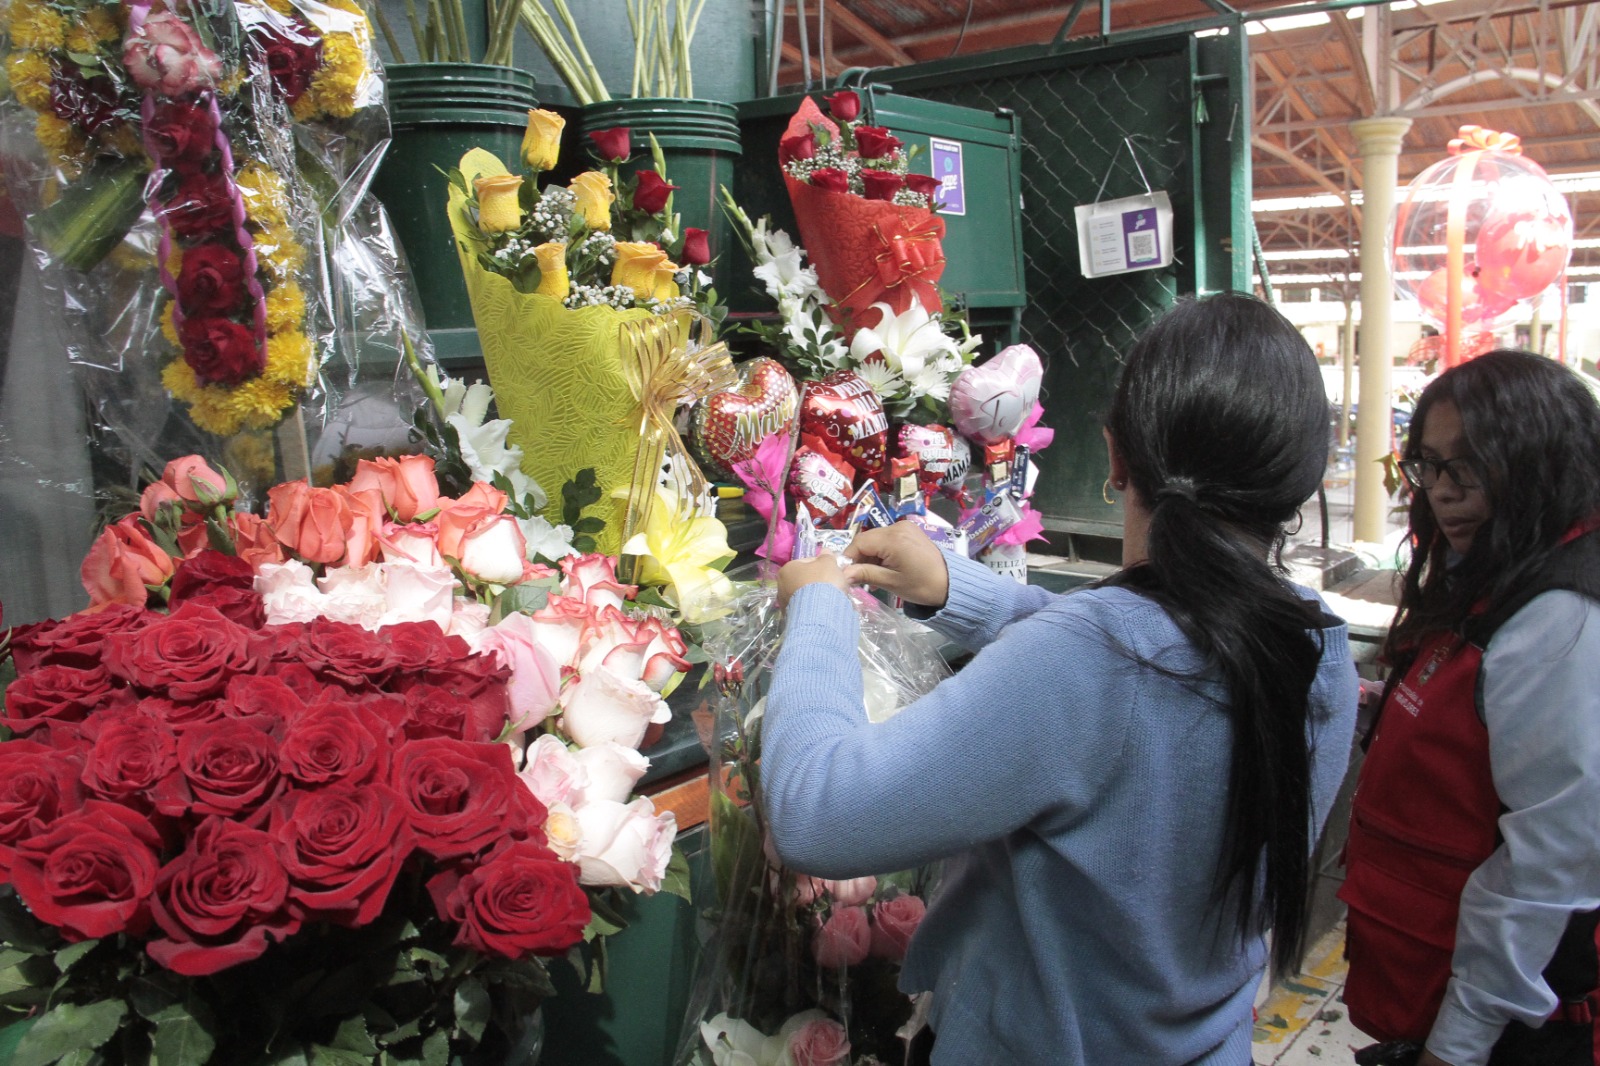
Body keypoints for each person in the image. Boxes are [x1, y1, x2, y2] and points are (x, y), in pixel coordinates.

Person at [765, 292, 1360, 1065]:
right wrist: (958, 589)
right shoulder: (1319, 647)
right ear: (1301, 479)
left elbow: (820, 812)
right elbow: (1143, 662)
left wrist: (817, 612)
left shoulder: (1093, 660)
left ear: (1114, 454)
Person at [1339, 350, 1600, 1066]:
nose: (1446, 492)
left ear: (1540, 463)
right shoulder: (1492, 578)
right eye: (1429, 465)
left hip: (1519, 1026)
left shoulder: (1562, 620)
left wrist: (1455, 1048)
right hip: (1435, 986)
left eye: (1471, 466)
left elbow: (1543, 870)